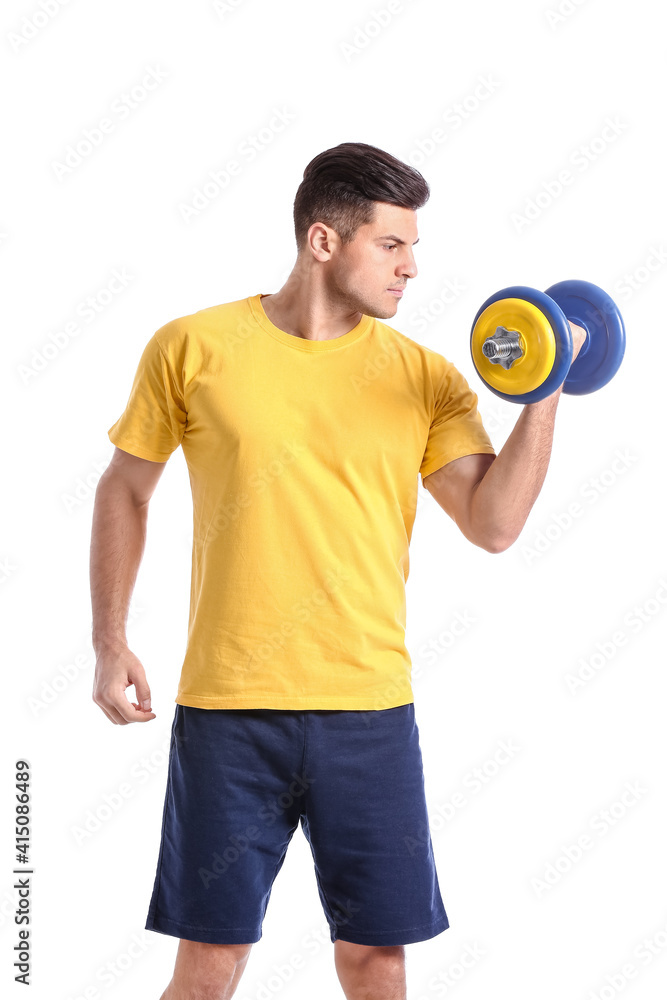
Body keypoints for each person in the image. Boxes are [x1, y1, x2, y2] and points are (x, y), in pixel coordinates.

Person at [90, 141, 585, 1000]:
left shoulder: (423, 378)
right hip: (228, 712)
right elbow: (125, 489)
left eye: (413, 247)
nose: (412, 268)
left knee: (374, 964)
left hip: (368, 714)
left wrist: (546, 386)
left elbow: (494, 525)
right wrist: (109, 640)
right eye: (392, 246)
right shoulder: (192, 346)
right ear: (324, 242)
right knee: (207, 970)